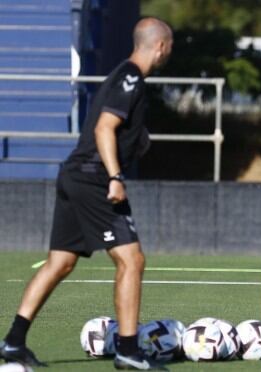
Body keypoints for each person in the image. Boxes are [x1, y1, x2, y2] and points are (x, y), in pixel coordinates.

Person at [0, 18, 172, 370]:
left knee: (60, 262)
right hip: (95, 179)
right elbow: (104, 127)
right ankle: (127, 349)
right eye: (169, 47)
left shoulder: (123, 76)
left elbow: (114, 129)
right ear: (160, 47)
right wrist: (115, 176)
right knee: (131, 259)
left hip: (74, 175)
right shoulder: (131, 77)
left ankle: (13, 342)